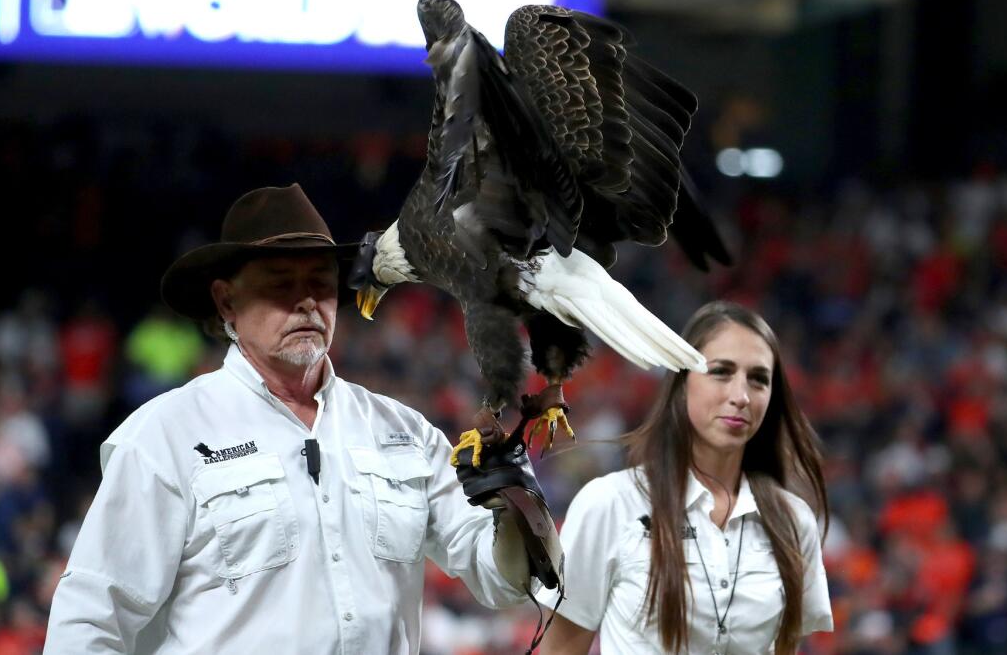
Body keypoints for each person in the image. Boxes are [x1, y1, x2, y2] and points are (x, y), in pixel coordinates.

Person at [44, 185, 541, 654]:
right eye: (281, 285)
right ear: (226, 302)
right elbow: (91, 618)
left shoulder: (407, 434)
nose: (306, 302)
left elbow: (502, 581)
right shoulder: (165, 436)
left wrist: (516, 506)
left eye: (320, 285)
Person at [536, 300, 834, 654]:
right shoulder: (609, 504)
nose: (740, 396)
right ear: (682, 382)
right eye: (721, 372)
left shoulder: (794, 520)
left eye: (758, 379)